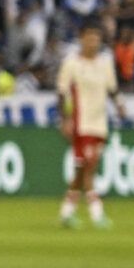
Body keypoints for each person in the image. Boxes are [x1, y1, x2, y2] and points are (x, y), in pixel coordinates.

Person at [54, 23, 116, 229]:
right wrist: (65, 120)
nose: (94, 42)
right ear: (81, 38)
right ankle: (97, 213)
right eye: (90, 37)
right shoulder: (71, 63)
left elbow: (112, 89)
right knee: (89, 168)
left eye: (97, 38)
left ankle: (66, 212)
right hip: (81, 124)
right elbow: (62, 93)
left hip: (100, 124)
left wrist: (120, 104)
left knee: (82, 171)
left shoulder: (105, 63)